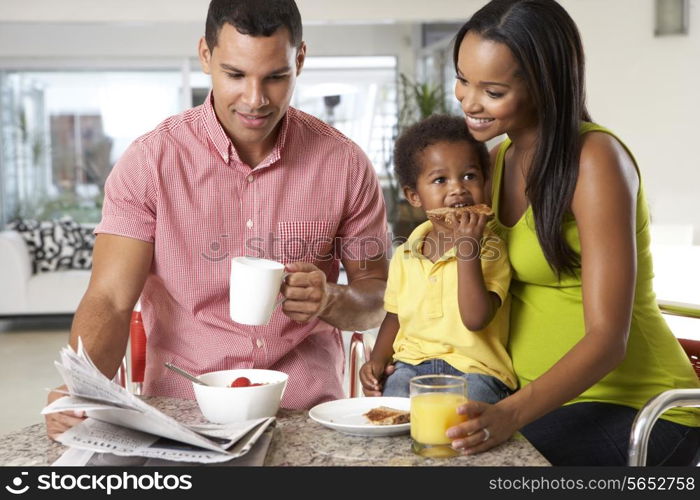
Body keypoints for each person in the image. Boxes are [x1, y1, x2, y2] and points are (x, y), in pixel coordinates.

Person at [45, 0, 389, 440]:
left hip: (307, 412)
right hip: (182, 411)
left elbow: (378, 296)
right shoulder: (150, 163)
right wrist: (81, 388)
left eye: (276, 77)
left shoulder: (344, 163)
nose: (255, 99)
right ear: (205, 56)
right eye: (235, 74)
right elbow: (111, 299)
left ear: (299, 59)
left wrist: (332, 299)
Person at [444, 0, 700, 465]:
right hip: (542, 403)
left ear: (544, 85)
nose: (468, 101)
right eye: (462, 78)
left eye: (493, 90)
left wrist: (509, 414)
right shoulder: (500, 160)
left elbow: (607, 340)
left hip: (636, 408)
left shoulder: (595, 160)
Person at [359, 114, 516, 405]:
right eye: (440, 180)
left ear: (486, 182)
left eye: (469, 176)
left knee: (467, 420)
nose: (457, 188)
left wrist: (469, 248)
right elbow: (395, 316)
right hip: (412, 368)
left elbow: (476, 319)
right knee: (387, 406)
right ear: (414, 196)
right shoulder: (406, 254)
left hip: (476, 372)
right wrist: (377, 360)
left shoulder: (491, 248)